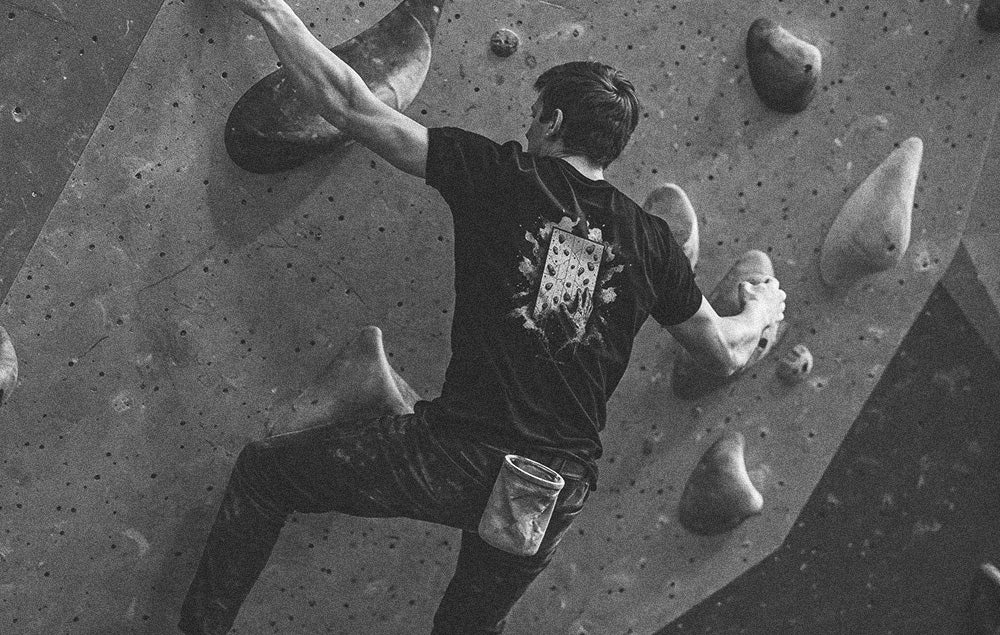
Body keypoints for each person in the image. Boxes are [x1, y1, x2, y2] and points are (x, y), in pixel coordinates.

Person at [178, 1, 787, 633]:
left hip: (458, 456)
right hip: (553, 487)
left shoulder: (501, 174)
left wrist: (272, 11)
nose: (529, 128)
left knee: (267, 475)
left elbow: (351, 104)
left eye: (534, 115)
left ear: (553, 121)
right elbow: (725, 352)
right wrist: (760, 309)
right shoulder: (650, 241)